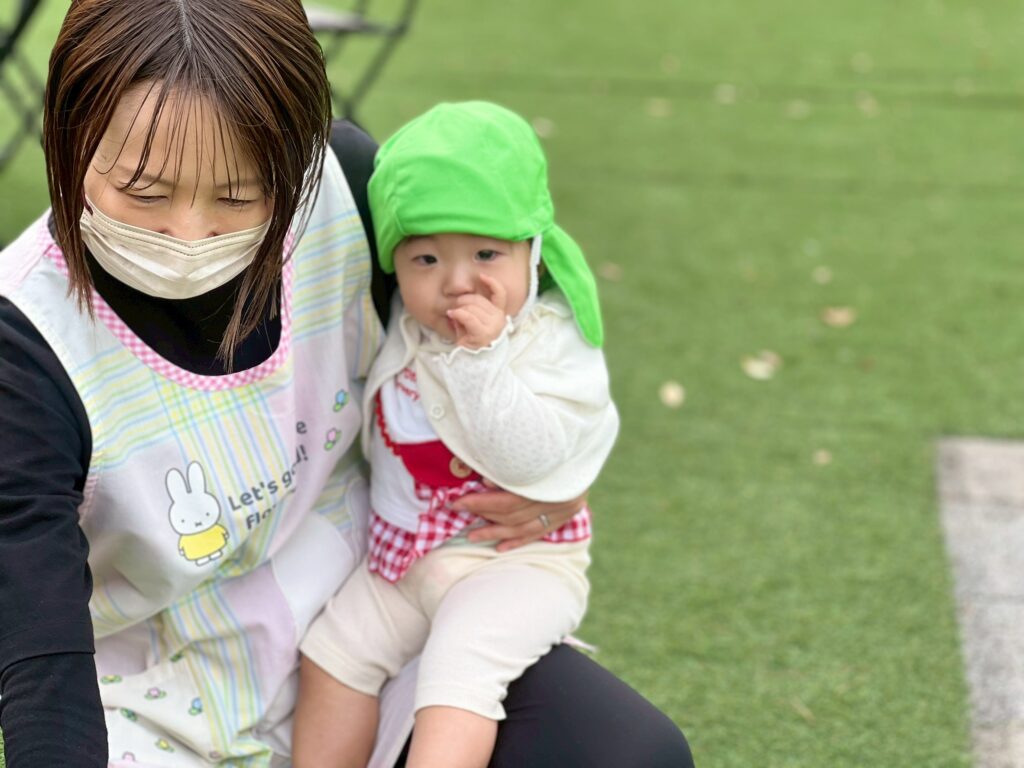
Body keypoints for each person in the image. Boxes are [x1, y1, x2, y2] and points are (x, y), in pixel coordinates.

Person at [0, 1, 695, 767]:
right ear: (68, 137)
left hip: (372, 610)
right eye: (144, 190)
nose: (190, 234)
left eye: (239, 196)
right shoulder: (24, 342)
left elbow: (513, 317)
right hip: (150, 702)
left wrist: (554, 469)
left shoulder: (343, 187)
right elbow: (41, 650)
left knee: (630, 755)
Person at [292, 101, 619, 768]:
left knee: (459, 670)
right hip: (405, 559)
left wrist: (481, 361)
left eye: (487, 253)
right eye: (426, 258)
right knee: (333, 654)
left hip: (517, 563)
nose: (458, 281)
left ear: (534, 251)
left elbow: (529, 459)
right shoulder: (405, 323)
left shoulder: (552, 340)